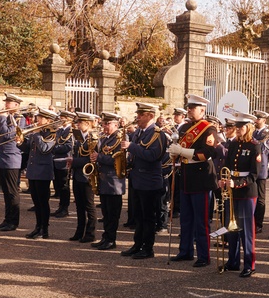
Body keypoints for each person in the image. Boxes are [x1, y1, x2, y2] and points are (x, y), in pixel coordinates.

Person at [169, 95, 219, 266]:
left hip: (201, 178)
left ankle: (204, 256)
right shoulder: (184, 128)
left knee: (202, 220)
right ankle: (185, 251)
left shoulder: (209, 129)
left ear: (202, 110)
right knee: (186, 219)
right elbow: (181, 150)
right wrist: (174, 153)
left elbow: (207, 153)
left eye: (192, 108)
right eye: (188, 107)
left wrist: (182, 152)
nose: (189, 110)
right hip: (186, 177)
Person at [122, 103, 169, 259]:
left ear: (150, 116)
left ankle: (148, 248)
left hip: (149, 181)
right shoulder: (138, 133)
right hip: (137, 179)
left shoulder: (157, 134)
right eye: (138, 114)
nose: (138, 117)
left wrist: (131, 147)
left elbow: (153, 156)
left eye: (141, 114)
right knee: (138, 216)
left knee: (148, 217)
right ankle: (137, 244)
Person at [218, 111, 261, 277]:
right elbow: (227, 166)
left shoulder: (254, 145)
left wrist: (236, 183)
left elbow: (254, 175)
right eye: (236, 126)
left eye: (240, 126)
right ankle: (233, 261)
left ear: (248, 127)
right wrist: (223, 179)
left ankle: (249, 264)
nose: (237, 128)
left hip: (246, 192)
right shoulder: (234, 144)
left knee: (246, 231)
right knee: (232, 227)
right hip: (232, 190)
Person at [0, 93, 25, 232]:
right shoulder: (7, 117)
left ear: (16, 105)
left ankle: (13, 222)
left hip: (11, 159)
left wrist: (1, 119)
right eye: (6, 102)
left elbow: (9, 135)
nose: (6, 105)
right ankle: (7, 219)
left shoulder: (19, 119)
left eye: (9, 102)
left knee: (12, 192)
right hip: (2, 158)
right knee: (6, 192)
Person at [91, 112, 125, 250]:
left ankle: (111, 240)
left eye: (108, 124)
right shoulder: (106, 138)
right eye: (104, 123)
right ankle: (106, 237)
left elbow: (119, 161)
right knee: (106, 212)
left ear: (116, 125)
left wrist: (99, 157)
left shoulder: (119, 138)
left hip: (114, 181)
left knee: (112, 213)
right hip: (105, 180)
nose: (104, 126)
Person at [23, 108, 58, 239]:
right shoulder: (37, 133)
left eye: (40, 118)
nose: (37, 120)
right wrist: (20, 142)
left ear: (48, 120)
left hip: (43, 172)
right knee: (36, 201)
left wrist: (37, 134)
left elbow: (44, 149)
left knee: (43, 202)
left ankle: (44, 228)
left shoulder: (52, 134)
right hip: (33, 170)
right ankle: (37, 227)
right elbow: (28, 149)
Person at [69, 112, 99, 242]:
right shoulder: (80, 138)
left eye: (80, 122)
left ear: (87, 123)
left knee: (89, 206)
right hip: (77, 175)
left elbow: (91, 159)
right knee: (79, 206)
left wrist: (74, 161)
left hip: (87, 176)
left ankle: (90, 233)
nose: (78, 125)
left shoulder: (94, 138)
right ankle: (79, 231)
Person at [52, 111, 75, 217]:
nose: (60, 119)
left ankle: (64, 209)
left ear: (68, 119)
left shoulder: (71, 131)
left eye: (63, 118)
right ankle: (60, 207)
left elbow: (68, 146)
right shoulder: (61, 130)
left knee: (64, 186)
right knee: (59, 186)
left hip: (65, 160)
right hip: (57, 160)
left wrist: (53, 148)